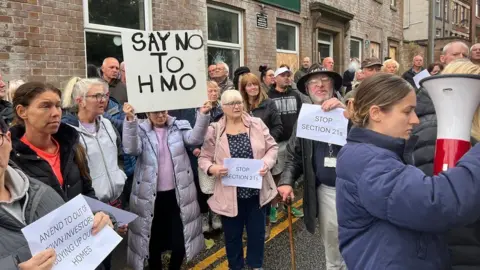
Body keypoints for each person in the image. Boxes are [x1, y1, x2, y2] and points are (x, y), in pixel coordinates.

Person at [337, 73, 480, 269]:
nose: (415, 120)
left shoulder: (373, 154)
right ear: (376, 113)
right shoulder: (370, 162)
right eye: (407, 111)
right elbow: (434, 203)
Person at [0, 120, 113, 270]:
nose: (55, 113)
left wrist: (98, 224)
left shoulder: (43, 193)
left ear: (8, 140)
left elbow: (80, 253)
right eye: (45, 106)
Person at [122, 99, 211, 270]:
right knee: (153, 241)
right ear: (148, 113)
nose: (161, 115)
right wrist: (130, 121)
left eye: (163, 111)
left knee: (180, 240)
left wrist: (203, 115)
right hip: (151, 197)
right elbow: (131, 149)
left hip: (178, 195)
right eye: (156, 112)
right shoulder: (139, 129)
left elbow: (194, 138)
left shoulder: (179, 126)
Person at [198, 90, 278, 270]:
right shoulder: (215, 130)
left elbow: (272, 147)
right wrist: (213, 168)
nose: (237, 106)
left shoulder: (256, 124)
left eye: (239, 102)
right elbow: (204, 158)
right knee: (232, 237)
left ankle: (255, 265)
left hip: (256, 193)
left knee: (257, 235)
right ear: (222, 107)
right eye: (232, 103)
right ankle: (236, 266)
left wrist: (266, 162)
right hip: (229, 195)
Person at [278, 67, 347, 270]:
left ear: (333, 85)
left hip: (357, 191)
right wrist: (286, 181)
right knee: (333, 248)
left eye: (325, 79)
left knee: (360, 246)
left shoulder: (351, 109)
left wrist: (347, 113)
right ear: (307, 89)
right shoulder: (306, 117)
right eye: (313, 82)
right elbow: (295, 155)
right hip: (326, 191)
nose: (320, 85)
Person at [10, 82, 97, 202]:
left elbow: (87, 191)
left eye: (58, 106)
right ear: (22, 112)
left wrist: (99, 214)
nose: (56, 113)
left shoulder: (72, 146)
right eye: (45, 106)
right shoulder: (10, 158)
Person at [61, 78, 126, 207]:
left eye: (104, 95)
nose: (103, 100)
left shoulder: (107, 124)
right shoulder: (69, 132)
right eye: (96, 96)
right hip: (91, 206)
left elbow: (119, 156)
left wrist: (120, 176)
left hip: (117, 200)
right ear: (80, 101)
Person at [239, 73, 283, 239]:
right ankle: (248, 226)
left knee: (263, 193)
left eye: (255, 84)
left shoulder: (268, 104)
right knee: (246, 194)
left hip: (264, 156)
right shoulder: (240, 106)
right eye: (249, 85)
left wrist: (265, 143)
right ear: (243, 89)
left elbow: (278, 127)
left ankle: (264, 224)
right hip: (243, 157)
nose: (253, 88)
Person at [267, 67, 304, 223]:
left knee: (290, 175)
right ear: (275, 79)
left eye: (288, 75)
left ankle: (288, 205)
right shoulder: (268, 96)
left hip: (292, 141)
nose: (287, 78)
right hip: (276, 142)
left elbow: (301, 116)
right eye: (283, 75)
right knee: (276, 175)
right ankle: (274, 206)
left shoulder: (295, 95)